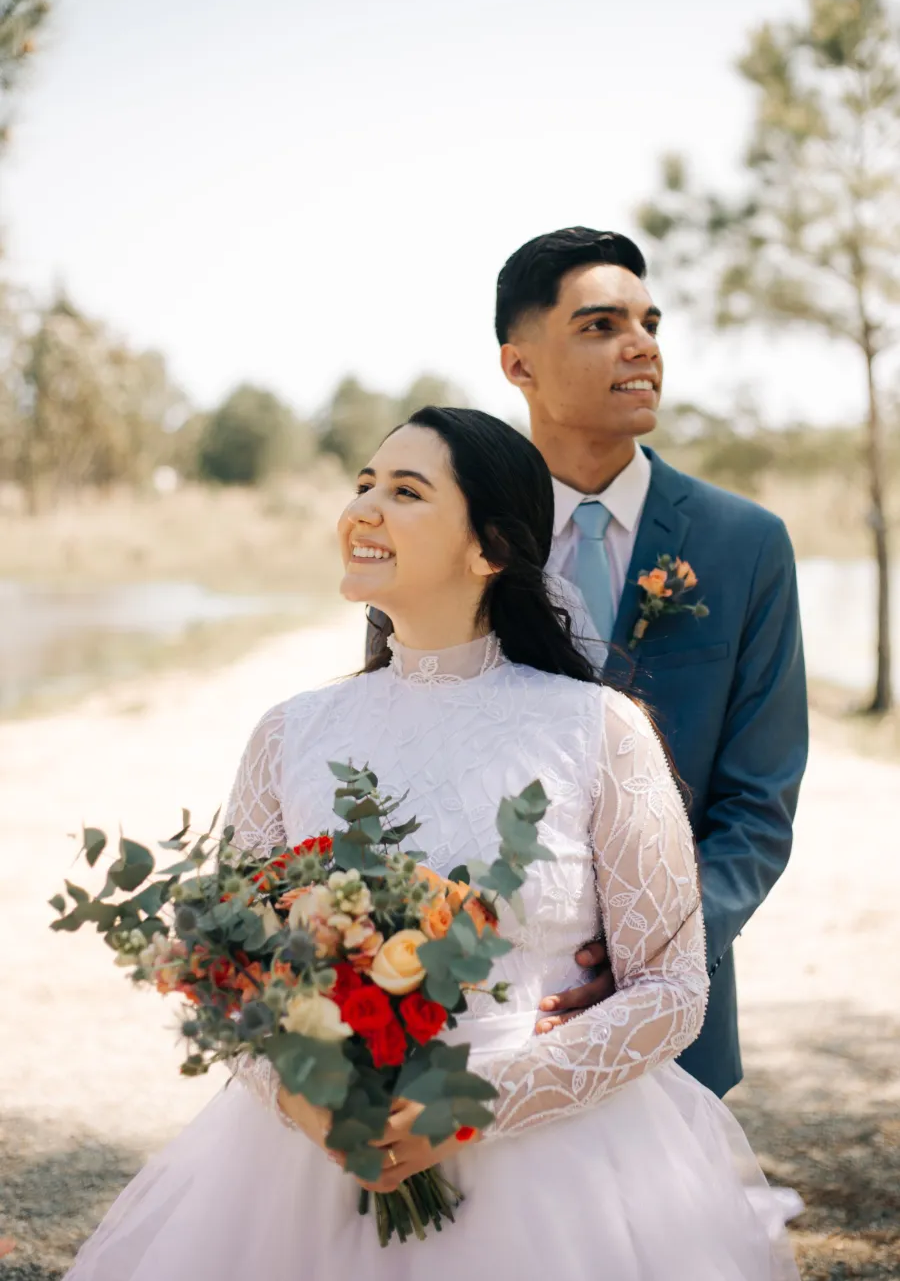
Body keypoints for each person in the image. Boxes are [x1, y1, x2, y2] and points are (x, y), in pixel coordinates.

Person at [66, 407, 799, 1280]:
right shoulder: (289, 733)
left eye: (405, 492)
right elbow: (226, 968)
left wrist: (475, 1105)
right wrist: (304, 1096)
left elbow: (673, 988)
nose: (364, 509)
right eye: (363, 484)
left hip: (556, 1181)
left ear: (489, 548)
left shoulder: (597, 729)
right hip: (303, 1176)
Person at [369, 229, 808, 1099]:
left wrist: (657, 959)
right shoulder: (450, 527)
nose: (642, 345)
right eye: (602, 325)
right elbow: (397, 744)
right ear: (518, 364)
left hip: (678, 1017)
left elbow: (759, 801)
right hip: (472, 1005)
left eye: (650, 322)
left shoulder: (745, 544)